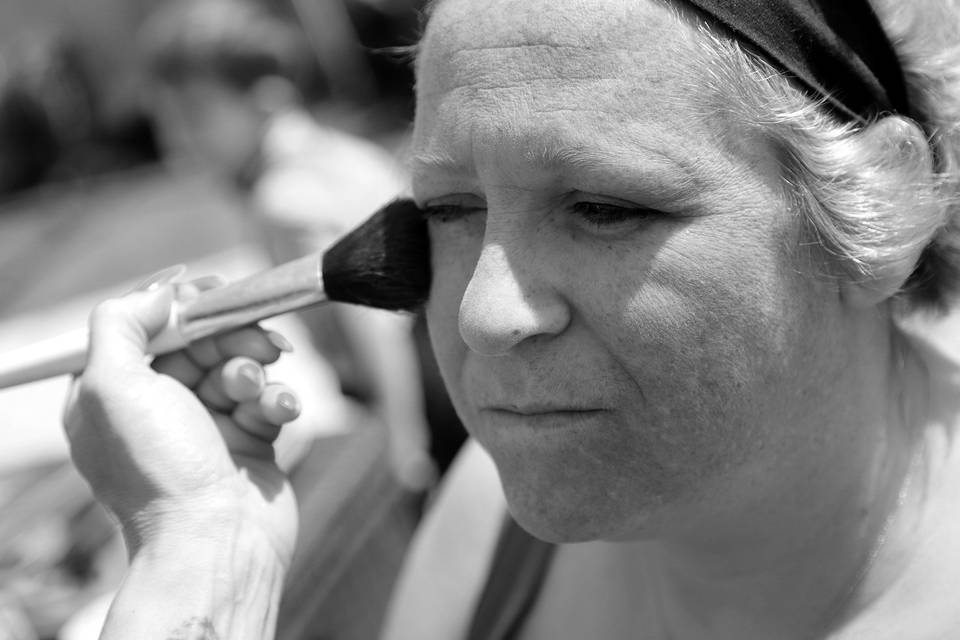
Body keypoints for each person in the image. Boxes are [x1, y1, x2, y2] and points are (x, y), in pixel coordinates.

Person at [64, 0, 960, 637]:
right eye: (451, 212)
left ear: (879, 213)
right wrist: (206, 548)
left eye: (606, 208)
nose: (481, 314)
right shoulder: (490, 520)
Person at [138, 0, 445, 491]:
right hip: (445, 357)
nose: (180, 142)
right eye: (169, 123)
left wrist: (403, 444)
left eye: (195, 116)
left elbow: (373, 323)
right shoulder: (338, 151)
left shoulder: (282, 198)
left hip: (417, 390)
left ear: (266, 97)